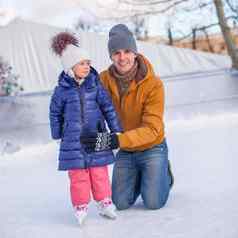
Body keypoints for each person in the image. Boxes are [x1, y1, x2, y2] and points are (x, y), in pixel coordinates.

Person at [80, 24, 174, 210]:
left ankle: (164, 173)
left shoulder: (153, 85)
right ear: (111, 56)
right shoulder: (103, 80)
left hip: (152, 147)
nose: (122, 58)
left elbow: (152, 129)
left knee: (153, 202)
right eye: (116, 53)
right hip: (126, 149)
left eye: (127, 51)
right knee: (119, 203)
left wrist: (114, 140)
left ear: (135, 53)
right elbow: (88, 105)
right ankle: (143, 175)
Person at [49, 32, 122, 225]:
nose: (87, 66)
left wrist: (116, 129)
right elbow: (54, 114)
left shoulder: (96, 86)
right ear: (70, 67)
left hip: (96, 135)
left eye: (88, 62)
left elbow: (108, 108)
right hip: (72, 141)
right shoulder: (61, 91)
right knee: (78, 176)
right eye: (82, 63)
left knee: (99, 173)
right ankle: (80, 206)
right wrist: (56, 134)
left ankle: (105, 203)